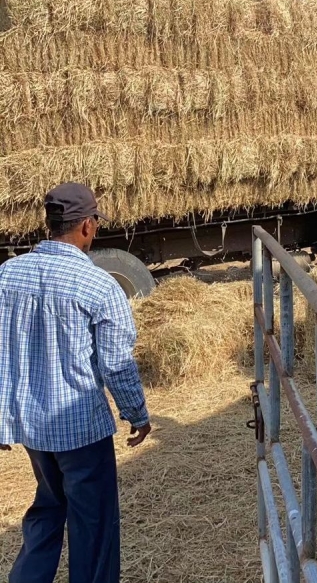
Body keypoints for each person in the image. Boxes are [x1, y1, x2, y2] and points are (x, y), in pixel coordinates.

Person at [0, 182, 151, 582]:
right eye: (96, 223)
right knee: (94, 526)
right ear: (86, 225)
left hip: (32, 428)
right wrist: (136, 413)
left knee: (47, 508)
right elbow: (116, 363)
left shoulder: (6, 275)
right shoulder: (98, 285)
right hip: (81, 431)